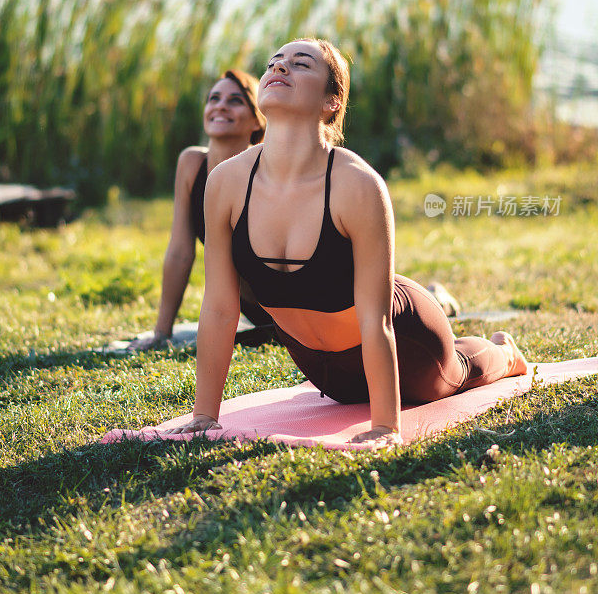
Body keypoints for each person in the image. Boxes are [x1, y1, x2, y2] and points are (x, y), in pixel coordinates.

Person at [165, 37, 527, 446]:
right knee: (346, 397)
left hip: (405, 340)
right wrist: (203, 417)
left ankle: (505, 352)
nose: (280, 68)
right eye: (274, 62)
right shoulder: (226, 183)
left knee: (455, 375)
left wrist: (386, 427)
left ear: (331, 102)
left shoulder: (356, 183)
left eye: (300, 64)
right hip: (321, 369)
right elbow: (218, 307)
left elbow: (378, 321)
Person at [130, 69, 273, 351]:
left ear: (257, 119)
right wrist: (161, 332)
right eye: (214, 98)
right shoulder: (191, 163)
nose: (220, 105)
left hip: (294, 307)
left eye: (235, 101)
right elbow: (180, 251)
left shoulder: (268, 168)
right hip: (252, 312)